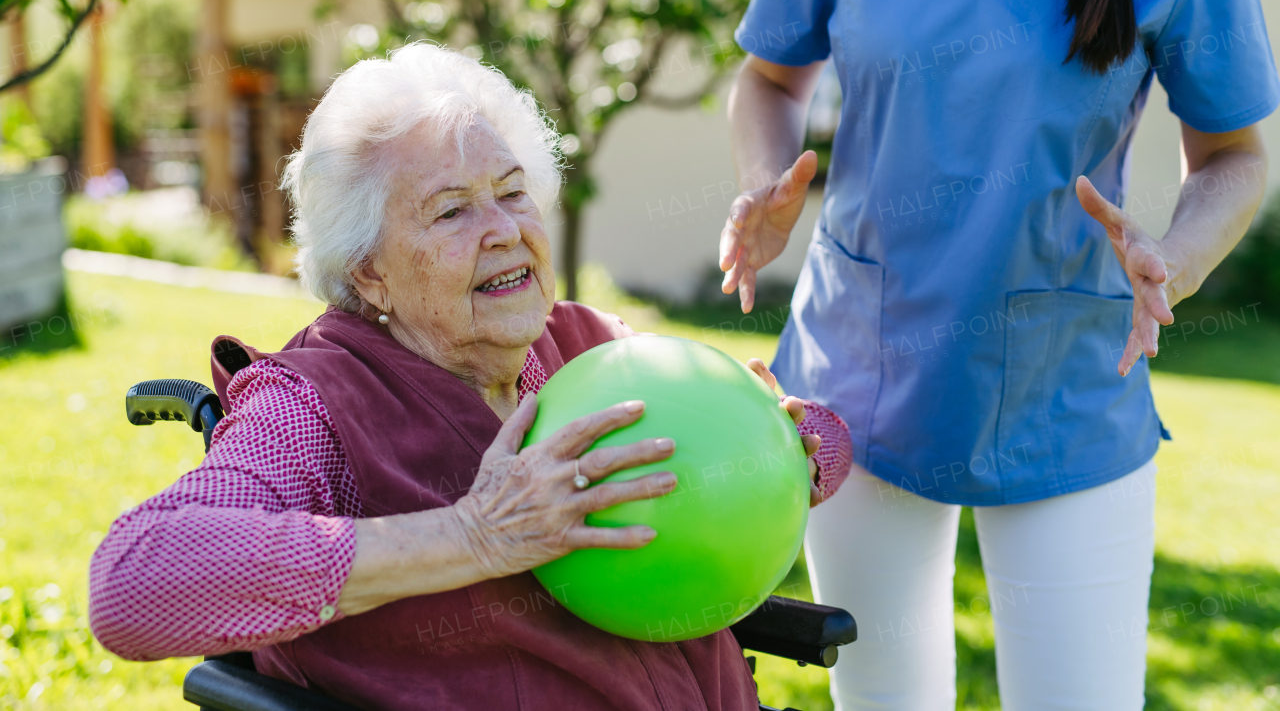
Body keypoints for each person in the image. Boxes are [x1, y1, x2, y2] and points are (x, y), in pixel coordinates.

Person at [88, 43, 854, 711]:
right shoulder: (314, 406)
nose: (504, 230)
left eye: (513, 191)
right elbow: (133, 584)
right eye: (451, 211)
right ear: (370, 272)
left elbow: (809, 452)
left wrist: (797, 439)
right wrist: (474, 535)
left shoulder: (587, 345)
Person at [717, 0, 1277, 706]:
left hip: (1068, 385)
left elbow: (1234, 157)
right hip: (861, 372)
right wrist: (765, 182)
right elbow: (768, 77)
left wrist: (1179, 258)